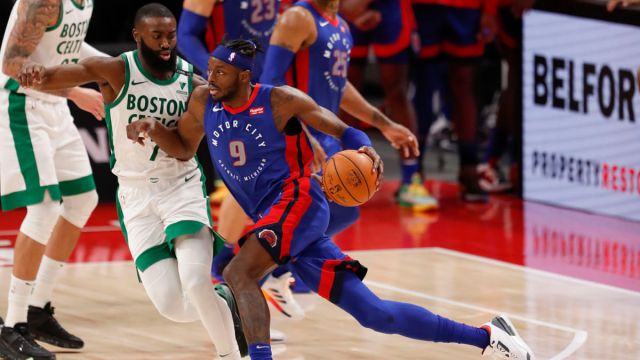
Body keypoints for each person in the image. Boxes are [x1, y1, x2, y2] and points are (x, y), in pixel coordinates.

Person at [126, 38, 536, 360]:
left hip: (300, 200)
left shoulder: (279, 100)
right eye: (210, 69)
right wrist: (150, 129)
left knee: (237, 273)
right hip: (276, 217)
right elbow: (182, 146)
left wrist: (366, 150)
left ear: (245, 76)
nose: (210, 77)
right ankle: (488, 337)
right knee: (377, 315)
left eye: (220, 72)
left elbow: (343, 130)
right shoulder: (203, 102)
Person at [18, 4, 246, 359]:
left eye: (171, 35)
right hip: (136, 197)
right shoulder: (116, 70)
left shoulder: (193, 85)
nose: (166, 43)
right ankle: (225, 301)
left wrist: (154, 129)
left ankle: (231, 355)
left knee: (196, 281)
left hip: (180, 188)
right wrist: (35, 74)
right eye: (157, 36)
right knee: (173, 306)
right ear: (138, 36)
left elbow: (186, 150)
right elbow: (62, 74)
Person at [177, 0, 306, 325]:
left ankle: (247, 268)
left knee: (288, 181)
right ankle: (240, 270)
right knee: (252, 178)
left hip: (274, 87)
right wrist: (218, 75)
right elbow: (186, 35)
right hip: (234, 90)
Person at [261, 0, 422, 239]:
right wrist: (298, 130)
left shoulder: (342, 27)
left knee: (342, 211)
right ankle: (244, 267)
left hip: (325, 133)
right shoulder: (298, 17)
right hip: (294, 132)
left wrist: (385, 124)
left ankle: (263, 267)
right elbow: (270, 82)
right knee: (305, 215)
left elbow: (339, 86)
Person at [0, 0, 105, 358]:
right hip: (20, 105)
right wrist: (76, 91)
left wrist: (117, 66)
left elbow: (68, 47)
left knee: (83, 199)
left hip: (53, 106)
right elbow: (12, 63)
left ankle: (37, 306)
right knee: (44, 209)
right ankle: (12, 325)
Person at [340, 0, 439, 211]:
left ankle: (411, 180)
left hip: (388, 8)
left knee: (397, 92)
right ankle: (342, 176)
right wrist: (344, 7)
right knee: (342, 91)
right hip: (343, 6)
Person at [412, 0, 498, 202]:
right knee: (423, 85)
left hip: (465, 7)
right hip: (422, 6)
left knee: (464, 84)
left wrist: (490, 10)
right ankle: (413, 173)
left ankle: (470, 169)